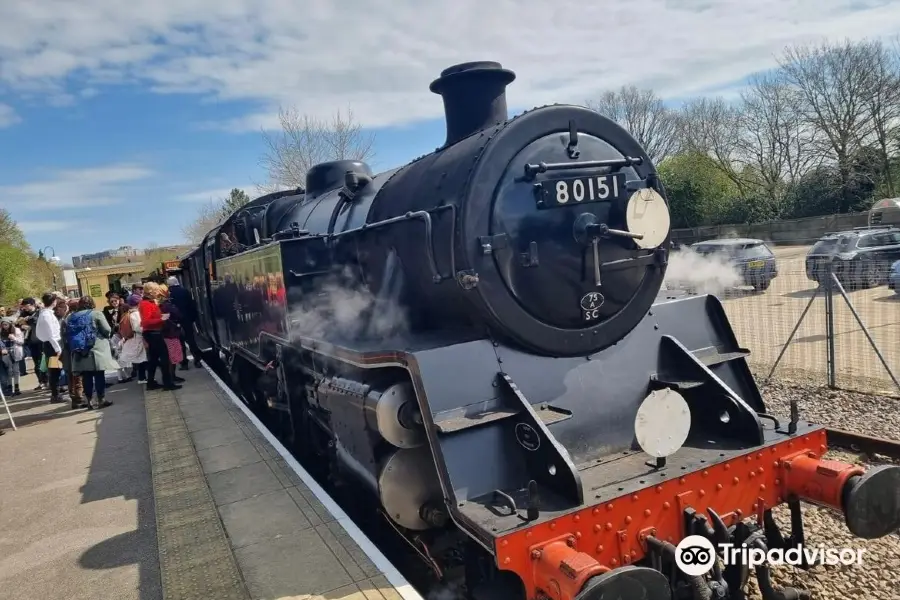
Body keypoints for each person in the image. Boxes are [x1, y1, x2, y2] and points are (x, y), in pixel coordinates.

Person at [68, 296, 118, 409]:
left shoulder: (72, 317)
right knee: (99, 374)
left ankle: (89, 401)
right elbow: (107, 330)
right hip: (96, 349)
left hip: (79, 350)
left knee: (86, 376)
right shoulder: (96, 314)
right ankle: (101, 399)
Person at [139, 282, 180, 391]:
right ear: (150, 292)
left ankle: (151, 382)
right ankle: (167, 383)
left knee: (153, 359)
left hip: (153, 332)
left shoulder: (148, 302)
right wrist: (161, 319)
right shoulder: (146, 304)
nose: (158, 292)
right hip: (153, 333)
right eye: (156, 290)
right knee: (164, 358)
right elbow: (146, 322)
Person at [166, 276, 203, 369]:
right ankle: (197, 360)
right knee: (191, 340)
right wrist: (193, 318)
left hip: (175, 321)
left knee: (180, 342)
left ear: (170, 284)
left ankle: (184, 363)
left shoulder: (169, 294)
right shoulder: (185, 291)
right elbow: (192, 305)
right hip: (187, 319)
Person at [35, 292, 64, 403]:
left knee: (56, 369)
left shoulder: (46, 313)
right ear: (53, 302)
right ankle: (55, 395)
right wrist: (57, 348)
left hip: (52, 344)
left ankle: (56, 393)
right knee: (54, 370)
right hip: (52, 345)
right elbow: (51, 334)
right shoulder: (46, 315)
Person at [118, 295, 147, 383]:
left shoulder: (129, 313)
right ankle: (142, 378)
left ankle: (142, 378)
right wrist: (147, 330)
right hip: (138, 338)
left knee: (141, 359)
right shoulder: (135, 314)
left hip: (135, 338)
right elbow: (138, 328)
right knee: (142, 359)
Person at [18, 298, 45, 390]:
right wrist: (22, 326)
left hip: (42, 340)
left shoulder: (40, 312)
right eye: (24, 306)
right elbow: (17, 324)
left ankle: (48, 381)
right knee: (36, 362)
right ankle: (41, 382)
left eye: (26, 305)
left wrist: (30, 323)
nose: (25, 307)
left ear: (32, 304)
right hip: (32, 341)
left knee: (44, 362)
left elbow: (41, 322)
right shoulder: (23, 314)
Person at [0, 318, 24, 396]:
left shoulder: (16, 330)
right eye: (3, 325)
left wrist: (14, 338)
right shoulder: (1, 332)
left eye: (6, 324)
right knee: (9, 371)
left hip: (15, 352)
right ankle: (10, 388)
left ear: (10, 324)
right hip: (6, 353)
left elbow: (21, 342)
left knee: (16, 370)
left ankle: (17, 387)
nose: (4, 326)